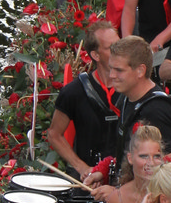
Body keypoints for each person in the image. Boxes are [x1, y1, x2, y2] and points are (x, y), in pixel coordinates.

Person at [44, 20, 121, 178]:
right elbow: (54, 134)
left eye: (120, 45)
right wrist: (82, 168)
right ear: (95, 55)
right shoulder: (74, 92)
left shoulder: (133, 87)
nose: (119, 52)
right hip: (89, 176)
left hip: (126, 175)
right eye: (111, 48)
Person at [105, 37, 171, 175]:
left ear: (140, 70)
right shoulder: (127, 98)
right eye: (111, 69)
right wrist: (103, 173)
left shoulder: (157, 109)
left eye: (119, 70)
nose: (112, 75)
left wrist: (124, 189)